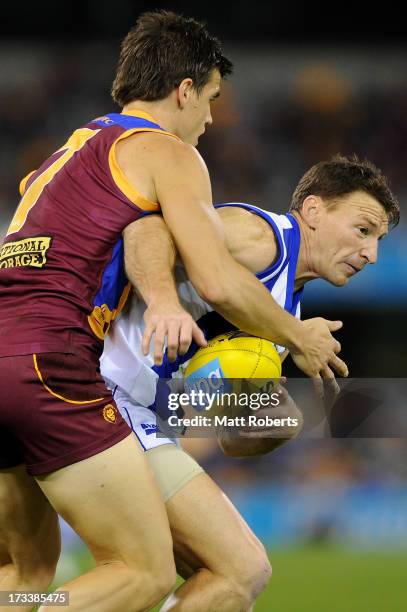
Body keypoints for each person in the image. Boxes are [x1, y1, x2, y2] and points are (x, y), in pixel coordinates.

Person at [0, 10, 349, 611]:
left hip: (7, 356)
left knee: (27, 576)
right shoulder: (166, 152)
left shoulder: (70, 151)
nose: (212, 117)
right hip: (51, 365)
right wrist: (298, 338)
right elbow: (215, 281)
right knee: (143, 572)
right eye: (210, 98)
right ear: (184, 90)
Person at [100, 154, 399, 610]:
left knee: (37, 576)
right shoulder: (263, 239)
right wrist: (162, 299)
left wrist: (274, 419)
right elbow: (148, 227)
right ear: (314, 211)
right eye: (363, 231)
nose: (372, 254)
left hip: (138, 411)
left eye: (378, 240)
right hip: (107, 395)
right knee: (239, 571)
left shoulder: (285, 314)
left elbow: (222, 433)